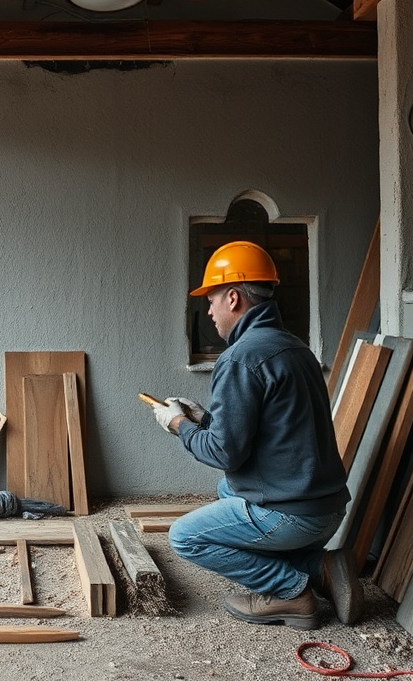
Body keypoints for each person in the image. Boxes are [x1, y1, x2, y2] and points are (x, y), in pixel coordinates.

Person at [151, 240, 362, 630]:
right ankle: (321, 566)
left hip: (293, 517)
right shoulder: (295, 349)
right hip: (327, 510)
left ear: (233, 297)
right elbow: (270, 429)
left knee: (184, 537)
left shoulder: (240, 357)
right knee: (227, 491)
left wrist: (177, 425)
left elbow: (223, 454)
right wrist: (205, 417)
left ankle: (293, 592)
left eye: (211, 298)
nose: (209, 310)